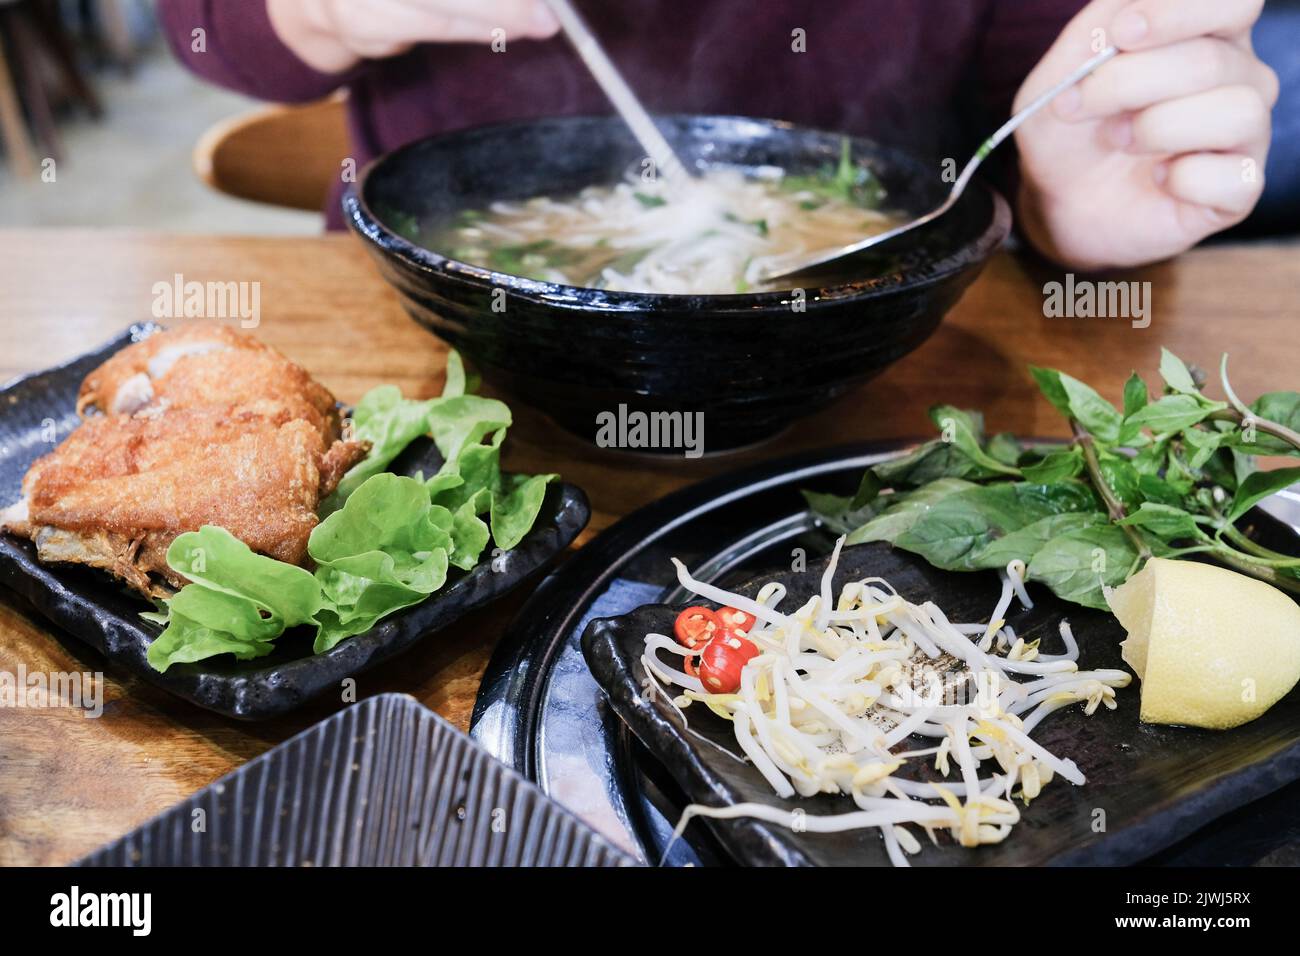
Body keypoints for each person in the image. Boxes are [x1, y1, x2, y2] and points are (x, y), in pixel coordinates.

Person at [160, 0, 1277, 270]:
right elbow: (205, 28)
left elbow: (1052, 71)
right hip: (420, 324)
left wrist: (1066, 196)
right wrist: (322, 13)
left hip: (891, 350)